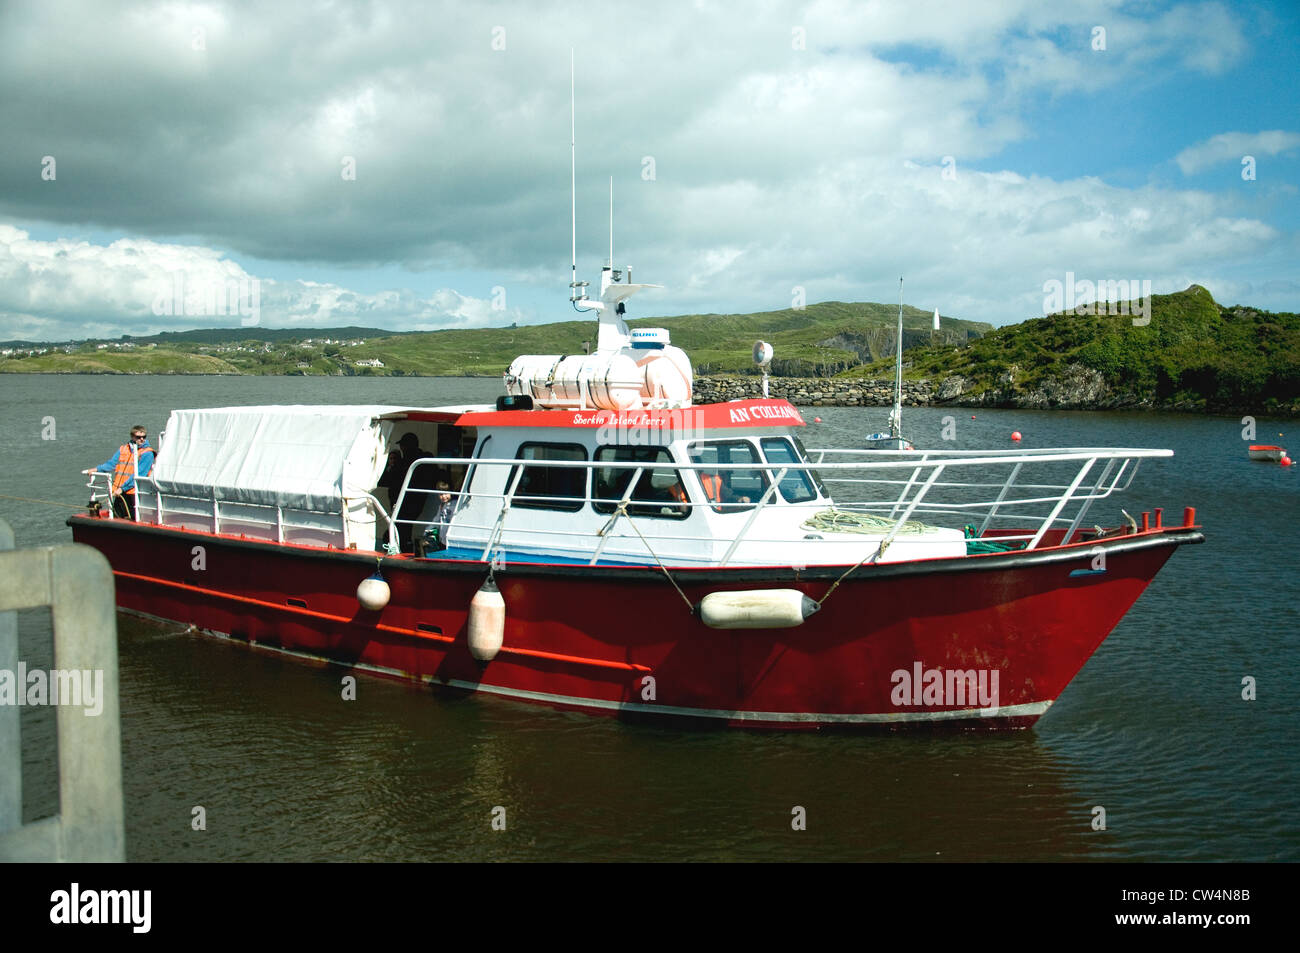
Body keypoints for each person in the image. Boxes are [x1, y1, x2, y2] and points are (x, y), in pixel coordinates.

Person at [379, 432, 441, 551]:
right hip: (415, 500)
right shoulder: (422, 458)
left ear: (407, 446)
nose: (401, 448)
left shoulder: (407, 461)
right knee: (403, 527)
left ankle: (401, 548)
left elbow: (393, 480)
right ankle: (403, 547)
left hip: (406, 501)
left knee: (399, 528)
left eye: (403, 445)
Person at [91, 426, 156, 521]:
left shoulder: (147, 453)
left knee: (135, 518)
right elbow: (111, 464)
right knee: (117, 516)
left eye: (144, 437)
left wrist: (123, 488)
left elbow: (140, 474)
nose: (142, 439)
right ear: (132, 437)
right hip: (120, 491)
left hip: (135, 492)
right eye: (138, 437)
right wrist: (96, 469)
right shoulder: (123, 449)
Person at [422, 481, 461, 552]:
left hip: (451, 540)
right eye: (441, 494)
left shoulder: (455, 505)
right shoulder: (442, 506)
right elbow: (436, 521)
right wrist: (426, 533)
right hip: (443, 539)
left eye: (446, 493)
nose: (443, 496)